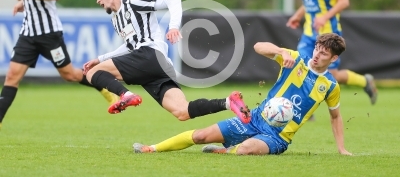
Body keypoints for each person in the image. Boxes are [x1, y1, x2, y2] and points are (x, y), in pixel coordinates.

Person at [133, 33, 352, 156]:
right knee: (200, 136)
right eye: (317, 49)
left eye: (323, 54)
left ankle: (224, 151)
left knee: (245, 150)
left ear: (333, 59)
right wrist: (281, 51)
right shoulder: (295, 60)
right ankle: (151, 148)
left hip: (277, 136)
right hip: (254, 118)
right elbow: (258, 46)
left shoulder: (330, 86)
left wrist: (341, 149)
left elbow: (336, 116)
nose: (317, 55)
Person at [82, 0, 251, 123]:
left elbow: (173, 0)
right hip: (157, 65)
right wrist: (101, 58)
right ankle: (229, 103)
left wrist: (173, 27)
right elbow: (130, 46)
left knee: (92, 73)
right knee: (182, 111)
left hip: (149, 55)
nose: (98, 0)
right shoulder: (116, 18)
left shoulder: (132, 1)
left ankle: (126, 95)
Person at [0, 0, 118, 129]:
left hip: (49, 35)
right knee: (11, 76)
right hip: (28, 34)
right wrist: (23, 4)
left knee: (70, 75)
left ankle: (106, 89)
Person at [286, 0, 377, 106]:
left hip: (328, 33)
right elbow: (309, 1)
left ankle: (365, 82)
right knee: (299, 66)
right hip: (308, 32)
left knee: (332, 75)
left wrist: (324, 17)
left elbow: (344, 1)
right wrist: (298, 15)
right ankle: (299, 105)